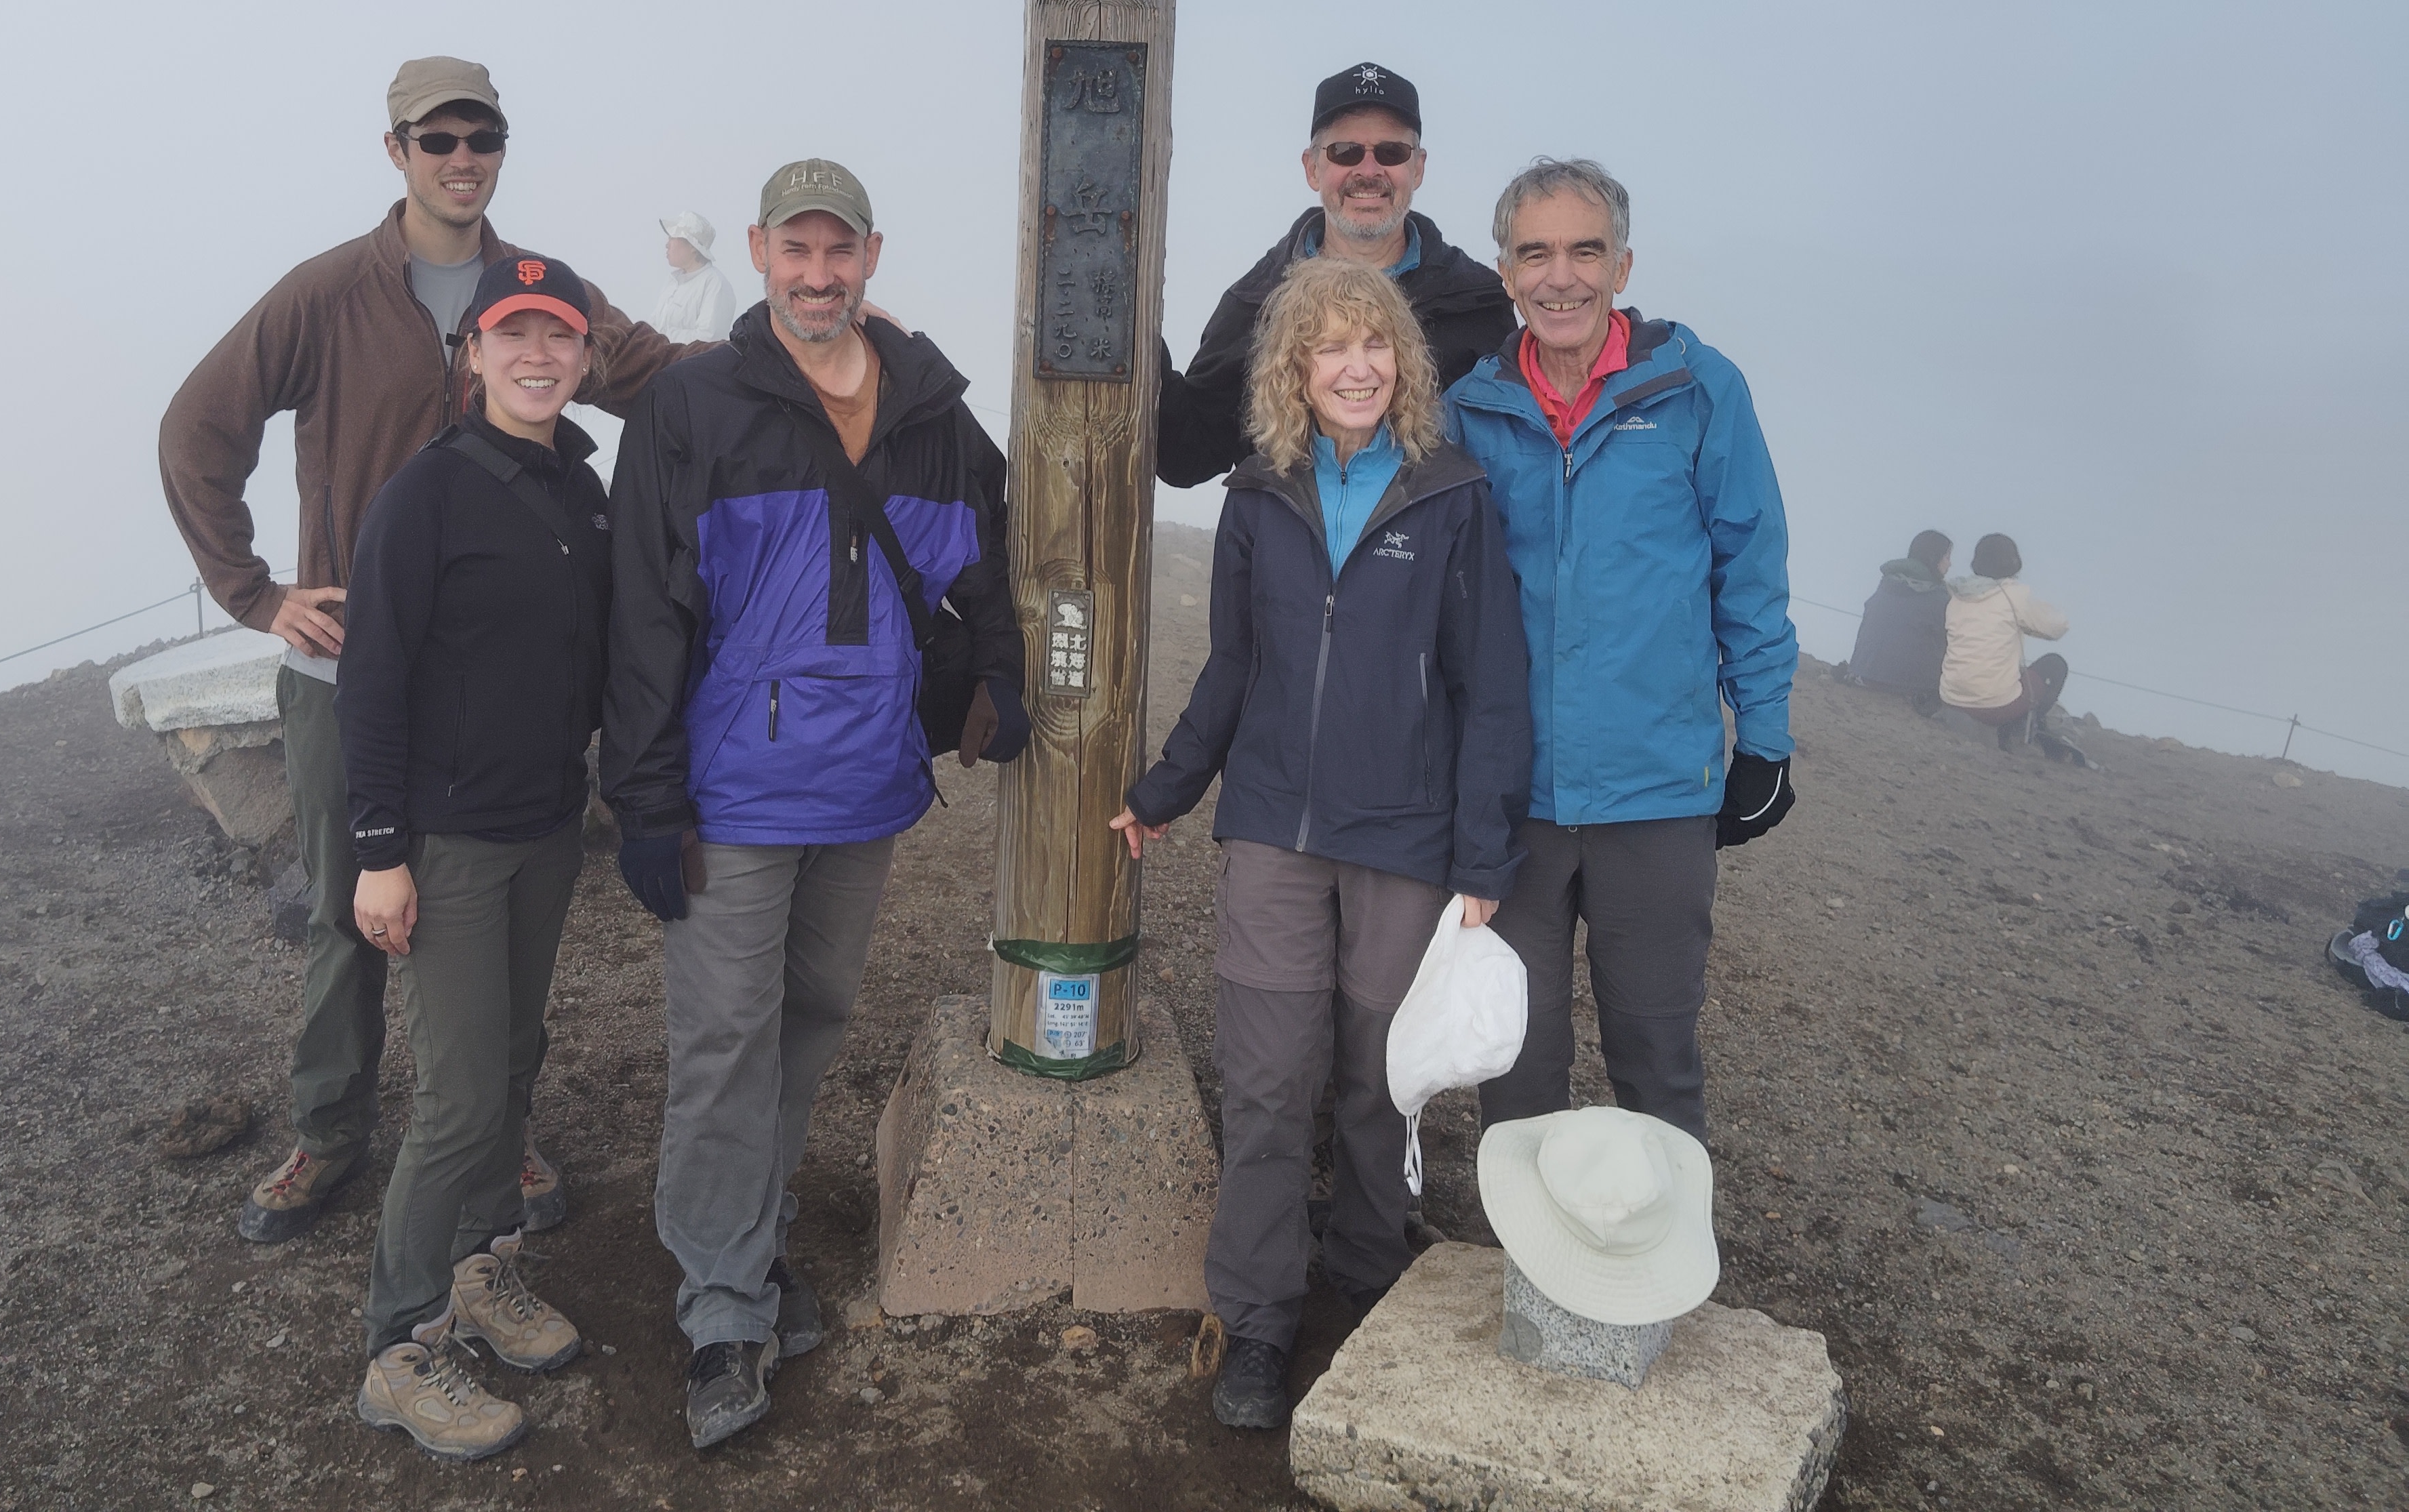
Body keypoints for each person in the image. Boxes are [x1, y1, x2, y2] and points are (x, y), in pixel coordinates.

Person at [159, 55, 701, 1246]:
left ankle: (494, 1134)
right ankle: (331, 1129)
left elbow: (662, 377)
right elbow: (198, 429)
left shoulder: (541, 294)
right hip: (346, 670)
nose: (462, 158)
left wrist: (807, 347)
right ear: (395, 150)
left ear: (501, 147)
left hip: (495, 703)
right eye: (436, 137)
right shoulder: (325, 295)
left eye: (482, 136)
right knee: (348, 908)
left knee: (496, 924)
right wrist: (254, 593)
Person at [599, 157, 1027, 1452]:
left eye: (839, 252)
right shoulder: (695, 405)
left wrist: (1002, 670)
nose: (817, 273)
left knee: (810, 1018)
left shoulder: (935, 415)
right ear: (760, 250)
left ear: (872, 258)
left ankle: (751, 1227)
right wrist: (645, 794)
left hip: (864, 785)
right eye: (796, 249)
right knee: (726, 1035)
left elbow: (991, 555)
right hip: (731, 790)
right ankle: (725, 1300)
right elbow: (645, 613)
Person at [1109, 257, 1531, 1431]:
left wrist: (1486, 855)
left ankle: (1365, 1267)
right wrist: (1165, 789)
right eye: (1329, 347)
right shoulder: (1259, 494)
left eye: (1375, 344)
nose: (1355, 365)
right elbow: (1235, 668)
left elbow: (1489, 685)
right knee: (1265, 1080)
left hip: (1407, 834)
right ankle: (1255, 1316)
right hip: (1274, 831)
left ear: (1404, 361)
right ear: (1293, 368)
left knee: (1375, 1077)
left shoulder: (1454, 495)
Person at [1440, 158, 1797, 1148]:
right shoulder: (1467, 413)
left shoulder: (1697, 391)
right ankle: (1534, 1290)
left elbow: (1749, 568)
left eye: (1586, 251)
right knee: (1516, 1064)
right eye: (1537, 253)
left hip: (1658, 796)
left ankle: (1659, 1293)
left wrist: (1764, 738)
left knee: (1656, 1062)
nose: (1563, 278)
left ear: (1624, 265)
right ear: (1507, 273)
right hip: (1513, 803)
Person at [342, 256, 611, 1462]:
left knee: (513, 1055)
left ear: (587, 356)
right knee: (455, 1096)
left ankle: (485, 1268)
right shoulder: (428, 495)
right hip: (447, 843)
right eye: (515, 335)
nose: (538, 356)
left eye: (559, 336)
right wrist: (379, 853)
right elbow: (374, 680)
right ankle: (400, 1346)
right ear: (475, 353)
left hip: (547, 825)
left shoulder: (585, 492)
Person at [1156, 62, 1515, 489]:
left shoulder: (1478, 302)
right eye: (1345, 152)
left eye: (1391, 152)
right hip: (1289, 552)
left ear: (1418, 168)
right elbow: (1187, 455)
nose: (1369, 171)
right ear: (1312, 168)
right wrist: (1128, 322)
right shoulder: (1254, 303)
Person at [1941, 533, 2076, 756]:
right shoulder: (2014, 597)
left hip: (1951, 698)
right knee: (2055, 665)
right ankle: (2017, 731)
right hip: (1995, 707)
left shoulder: (1956, 594)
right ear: (2014, 564)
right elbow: (2057, 627)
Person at [1844, 529, 1955, 712]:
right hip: (1909, 688)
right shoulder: (1938, 598)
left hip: (1863, 676)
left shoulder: (1887, 584)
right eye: (1947, 557)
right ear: (1934, 557)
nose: (1950, 564)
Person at [650, 211, 740, 342]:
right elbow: (653, 326)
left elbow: (708, 339)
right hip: (662, 361)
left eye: (672, 237)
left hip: (688, 362)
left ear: (692, 246)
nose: (667, 245)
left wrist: (662, 338)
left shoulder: (715, 284)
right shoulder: (673, 282)